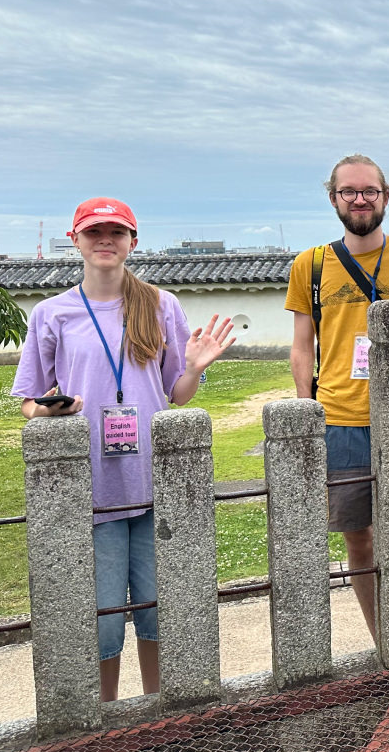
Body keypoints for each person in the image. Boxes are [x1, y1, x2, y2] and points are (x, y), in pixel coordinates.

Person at [12, 197, 236, 701]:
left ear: (134, 240)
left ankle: (159, 715)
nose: (105, 240)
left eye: (116, 231)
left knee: (158, 612)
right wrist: (46, 411)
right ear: (75, 240)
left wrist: (195, 367)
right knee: (103, 617)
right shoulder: (53, 313)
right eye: (94, 232)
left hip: (152, 482)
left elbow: (173, 394)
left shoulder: (161, 304)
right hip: (89, 488)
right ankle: (108, 719)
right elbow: (29, 399)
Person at [285, 154, 389, 641]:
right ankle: (384, 638)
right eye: (348, 192)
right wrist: (306, 411)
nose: (360, 200)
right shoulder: (311, 264)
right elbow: (303, 345)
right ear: (333, 198)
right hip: (339, 417)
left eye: (369, 191)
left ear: (386, 196)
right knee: (359, 538)